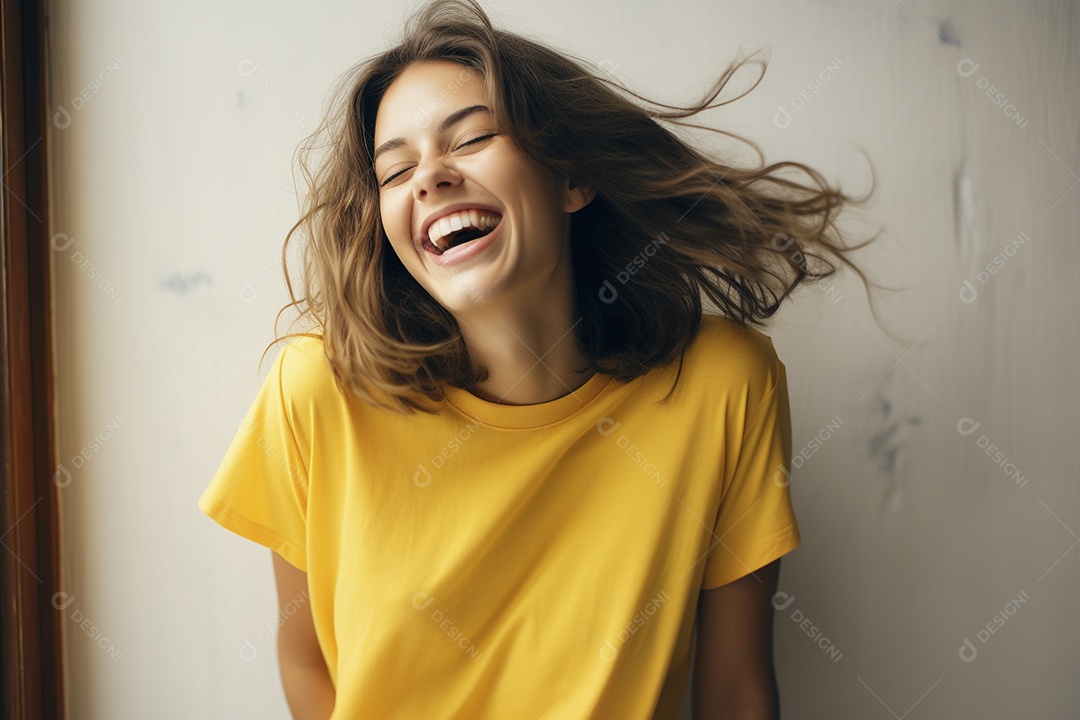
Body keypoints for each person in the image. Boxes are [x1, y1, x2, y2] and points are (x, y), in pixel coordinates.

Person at [198, 0, 880, 717]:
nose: (429, 178)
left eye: (472, 138)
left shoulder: (722, 386)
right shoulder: (317, 391)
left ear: (571, 179)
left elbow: (737, 692)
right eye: (395, 172)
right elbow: (304, 656)